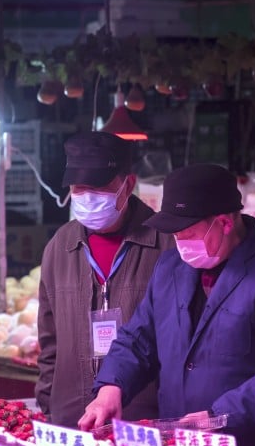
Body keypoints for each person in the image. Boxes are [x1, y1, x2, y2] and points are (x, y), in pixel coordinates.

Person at [77, 163, 255, 446]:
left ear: (223, 222)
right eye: (176, 235)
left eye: (188, 233)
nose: (181, 244)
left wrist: (219, 417)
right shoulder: (170, 268)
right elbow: (139, 339)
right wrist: (111, 387)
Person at [36, 132, 174, 428]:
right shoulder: (60, 247)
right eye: (78, 189)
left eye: (98, 188)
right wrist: (47, 410)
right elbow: (50, 345)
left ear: (128, 184)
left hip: (142, 418)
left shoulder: (167, 246)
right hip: (71, 418)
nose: (87, 198)